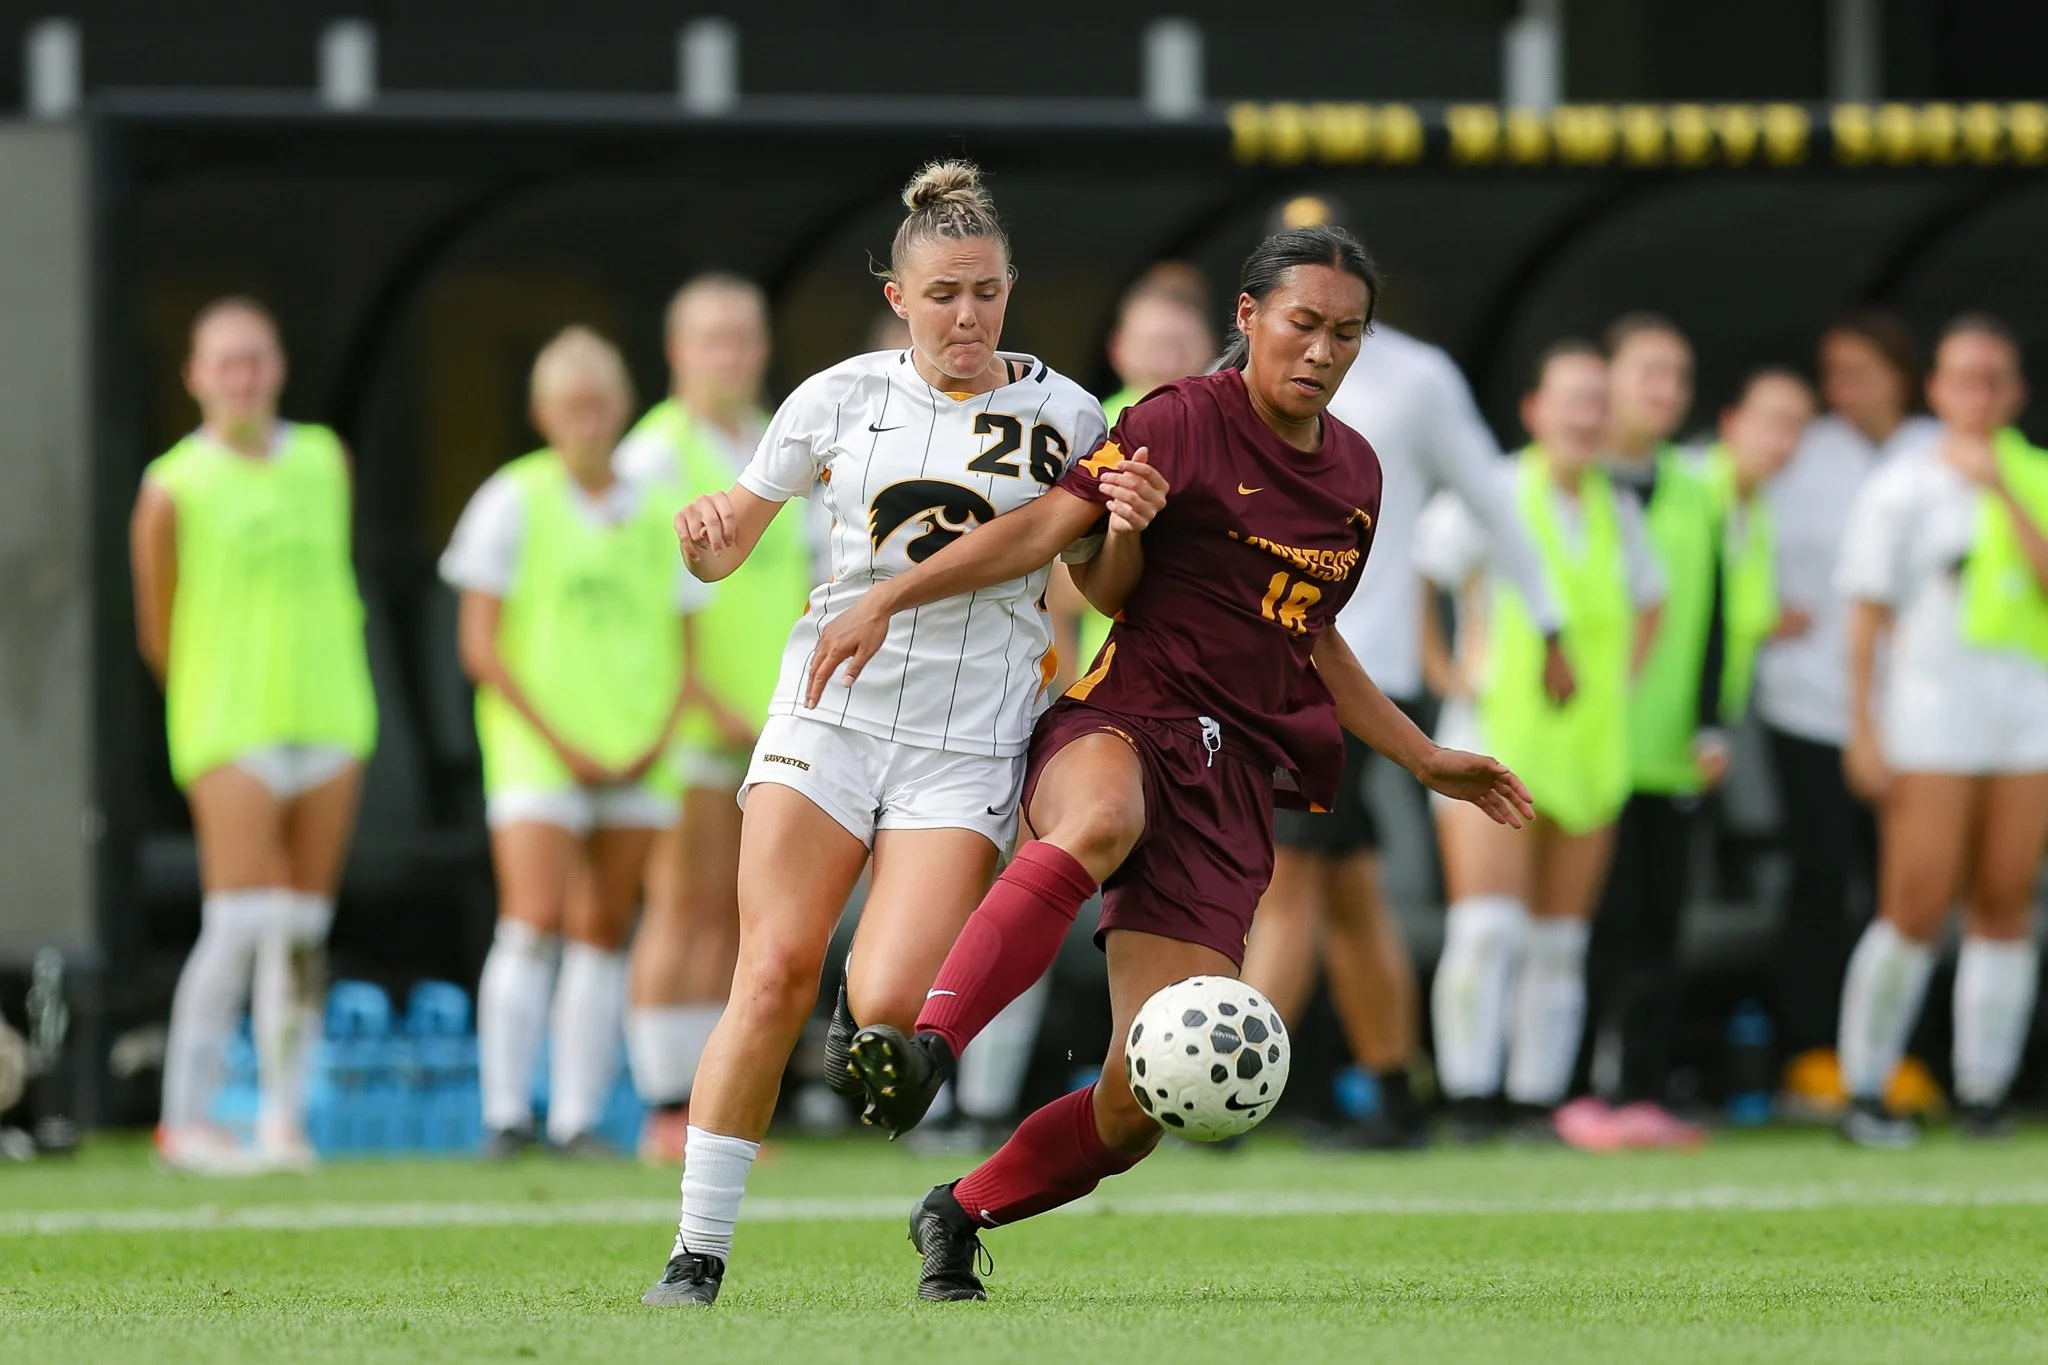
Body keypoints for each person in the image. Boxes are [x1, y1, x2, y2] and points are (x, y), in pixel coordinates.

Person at [821, 225, 1532, 1303]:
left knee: (1142, 1097)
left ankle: (955, 1212)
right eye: (1302, 324)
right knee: (1097, 821)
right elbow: (1051, 548)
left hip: (1231, 784)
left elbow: (1311, 637)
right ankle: (928, 1047)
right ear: (1247, 319)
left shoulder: (1355, 474)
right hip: (1127, 718)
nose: (1323, 351)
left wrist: (1424, 755)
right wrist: (886, 594)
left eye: (1347, 333)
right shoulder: (1175, 420)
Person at [639, 161, 1116, 1306]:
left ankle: (848, 1075)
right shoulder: (833, 399)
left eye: (987, 292)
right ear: (898, 298)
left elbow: (1099, 573)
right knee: (773, 967)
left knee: (888, 1010)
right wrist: (703, 533)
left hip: (965, 742)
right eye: (943, 293)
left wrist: (1122, 529)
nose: (967, 316)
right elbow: (726, 547)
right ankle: (694, 1256)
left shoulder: (1065, 415)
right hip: (831, 714)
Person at [1236, 195, 1565, 1151]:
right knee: (1349, 884)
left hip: (1357, 673)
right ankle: (1394, 1089)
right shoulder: (1235, 379)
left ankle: (1233, 1095)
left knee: (1288, 875)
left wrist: (1545, 623)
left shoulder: (1417, 379)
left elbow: (1490, 497)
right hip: (1269, 666)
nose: (1322, 334)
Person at [133, 297, 378, 1174]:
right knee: (237, 918)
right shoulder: (173, 483)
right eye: (225, 361)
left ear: (277, 365)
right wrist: (209, 691)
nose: (243, 377)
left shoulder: (323, 458)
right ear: (196, 375)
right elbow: (156, 625)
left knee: (303, 927)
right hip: (229, 719)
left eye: (257, 358)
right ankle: (185, 1120)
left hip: (330, 712)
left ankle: (283, 1117)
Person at [443, 326, 701, 1158]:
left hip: (636, 752)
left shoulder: (660, 511)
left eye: (600, 406)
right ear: (543, 415)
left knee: (601, 930)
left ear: (622, 408)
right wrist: (562, 740)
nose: (588, 423)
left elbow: (685, 642)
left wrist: (655, 735)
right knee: (531, 919)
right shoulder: (510, 500)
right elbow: (480, 646)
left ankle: (578, 1116)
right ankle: (506, 1112)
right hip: (538, 753)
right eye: (571, 408)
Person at [1421, 342, 1663, 1147]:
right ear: (1534, 409)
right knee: (1488, 926)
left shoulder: (1618, 510)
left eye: (1599, 402)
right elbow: (1422, 567)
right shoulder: (1493, 494)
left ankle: (1534, 1098)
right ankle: (1468, 1096)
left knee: (1560, 938)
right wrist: (1443, 668)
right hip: (1494, 734)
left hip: (1585, 746)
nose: (1586, 417)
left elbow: (1650, 602)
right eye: (1573, 399)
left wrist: (1619, 686)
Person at [1833, 315, 2048, 1148]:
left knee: (2004, 901)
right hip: (1929, 722)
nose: (1979, 395)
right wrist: (1863, 727)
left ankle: (1985, 1089)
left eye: (1995, 379)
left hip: (2026, 722)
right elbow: (1864, 618)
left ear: (2017, 392)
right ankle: (1864, 1086)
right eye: (1963, 378)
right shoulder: (1902, 485)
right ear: (1936, 389)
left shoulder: (2033, 474)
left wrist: (1999, 487)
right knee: (1914, 904)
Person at [614, 276, 796, 1166]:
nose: (733, 355)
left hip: (773, 726)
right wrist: (706, 701)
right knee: (678, 908)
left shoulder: (775, 441)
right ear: (678, 351)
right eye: (713, 339)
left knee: (737, 919)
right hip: (692, 729)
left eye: (745, 337)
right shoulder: (653, 455)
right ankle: (659, 1105)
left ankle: (709, 1108)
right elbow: (649, 606)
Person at [1757, 310, 1940, 1117]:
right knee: (1822, 873)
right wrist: (1763, 612)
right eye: (1832, 372)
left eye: (1859, 371)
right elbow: (1737, 528)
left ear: (1900, 375)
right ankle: (1812, 1053)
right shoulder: (1805, 454)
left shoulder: (1939, 452)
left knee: (1909, 887)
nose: (1841, 391)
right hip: (1812, 703)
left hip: (1925, 713)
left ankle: (1904, 1057)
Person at [1573, 314, 1733, 1147]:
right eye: (1649, 373)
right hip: (1582, 753)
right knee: (1590, 927)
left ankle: (1639, 1086)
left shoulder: (1702, 489)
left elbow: (1716, 618)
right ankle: (1570, 1093)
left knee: (1659, 928)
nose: (1665, 391)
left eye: (1679, 375)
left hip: (1670, 753)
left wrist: (1713, 722)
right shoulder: (1575, 481)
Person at [1048, 274, 1217, 679]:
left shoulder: (1233, 433)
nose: (1166, 360)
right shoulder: (1086, 429)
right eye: (1152, 345)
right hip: (1109, 673)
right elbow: (1059, 588)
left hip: (1214, 676)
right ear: (1117, 349)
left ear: (1211, 348)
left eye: (1178, 345)